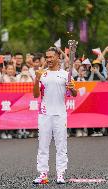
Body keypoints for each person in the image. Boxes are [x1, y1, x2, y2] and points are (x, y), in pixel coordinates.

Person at [32, 48, 77, 184]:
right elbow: (35, 95)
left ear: (58, 57)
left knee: (61, 145)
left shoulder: (65, 74)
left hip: (60, 114)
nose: (49, 59)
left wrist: (72, 88)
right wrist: (37, 79)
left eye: (51, 57)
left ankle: (60, 173)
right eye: (47, 57)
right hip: (45, 114)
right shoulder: (42, 73)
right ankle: (43, 174)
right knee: (43, 145)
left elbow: (73, 94)